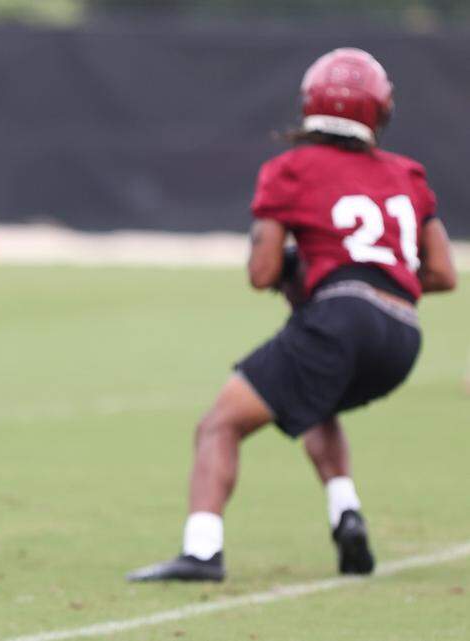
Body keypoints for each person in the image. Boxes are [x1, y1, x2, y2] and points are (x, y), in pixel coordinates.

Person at [127, 48, 457, 582]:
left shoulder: (290, 169)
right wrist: (379, 283)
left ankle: (202, 549)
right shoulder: (408, 173)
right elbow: (442, 273)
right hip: (402, 335)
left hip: (340, 317)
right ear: (379, 108)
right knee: (313, 401)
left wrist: (303, 272)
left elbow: (260, 272)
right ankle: (345, 512)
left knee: (219, 426)